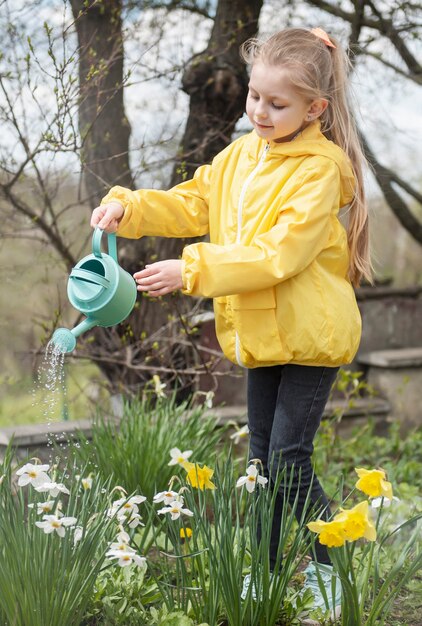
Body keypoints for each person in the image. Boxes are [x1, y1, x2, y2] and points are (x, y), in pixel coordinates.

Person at [91, 27, 371, 621]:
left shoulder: (320, 169)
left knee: (289, 461)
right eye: (254, 97)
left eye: (277, 103)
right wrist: (129, 208)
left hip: (311, 337)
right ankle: (267, 579)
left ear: (315, 108)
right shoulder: (241, 156)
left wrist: (190, 268)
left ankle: (331, 566)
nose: (260, 112)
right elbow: (194, 203)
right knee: (261, 466)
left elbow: (279, 255)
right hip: (264, 333)